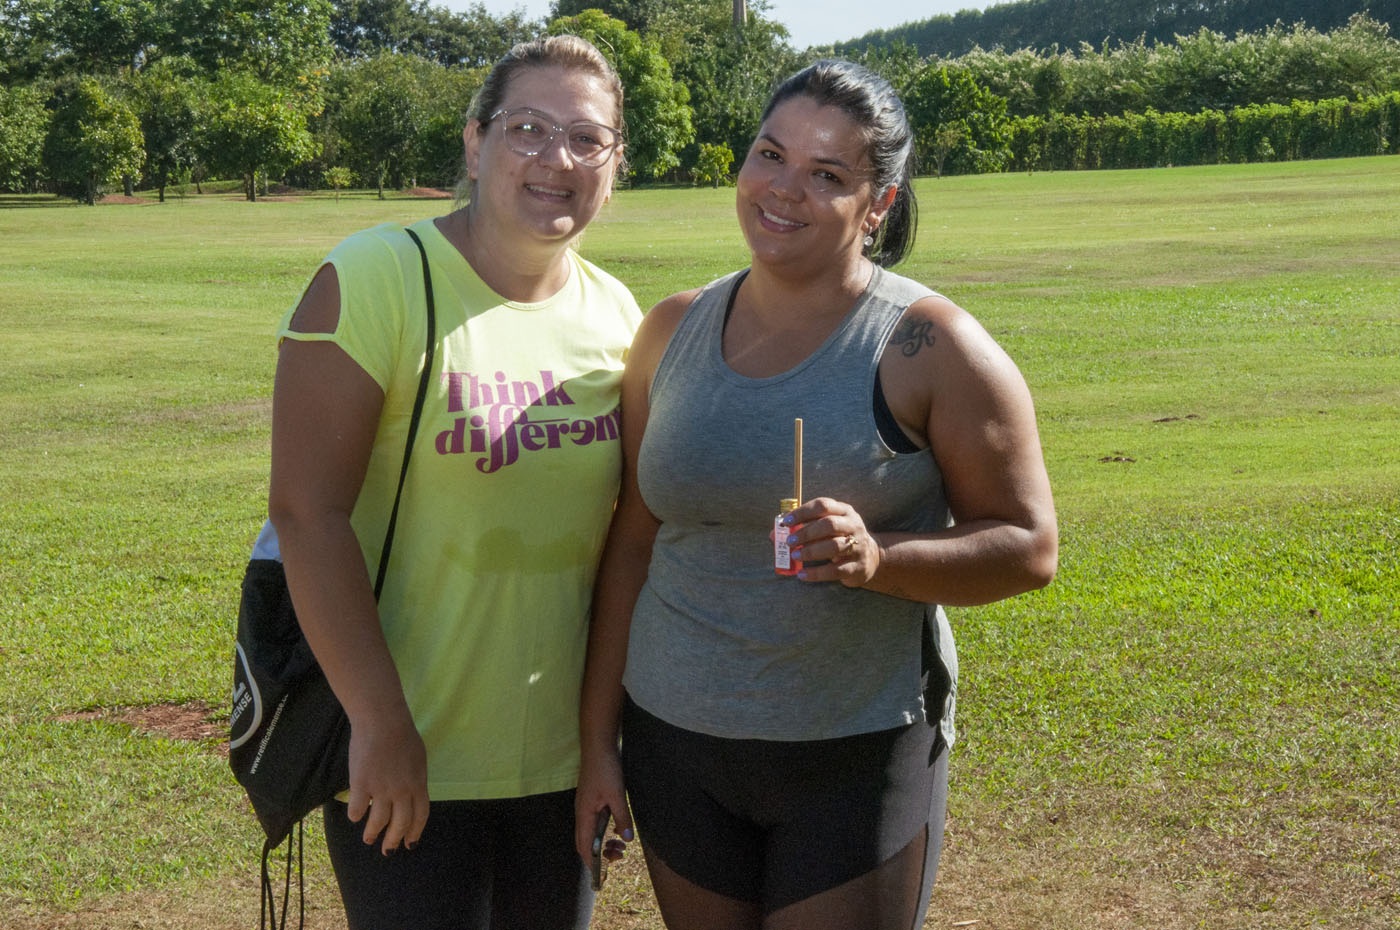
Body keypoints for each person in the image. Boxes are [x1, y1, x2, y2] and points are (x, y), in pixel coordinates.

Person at [574, 59, 1058, 930]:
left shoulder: (928, 346)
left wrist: (877, 558)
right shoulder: (671, 330)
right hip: (674, 743)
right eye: (771, 154)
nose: (784, 189)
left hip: (854, 749)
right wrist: (597, 744)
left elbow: (1028, 547)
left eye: (828, 175)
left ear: (879, 204)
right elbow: (634, 543)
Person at [265, 35, 641, 930]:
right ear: (475, 143)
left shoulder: (618, 317)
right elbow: (307, 514)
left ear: (614, 166)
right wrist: (380, 722)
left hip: (557, 772)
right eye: (527, 129)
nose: (557, 159)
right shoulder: (376, 278)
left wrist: (600, 747)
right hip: (405, 759)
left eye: (587, 139)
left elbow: (624, 549)